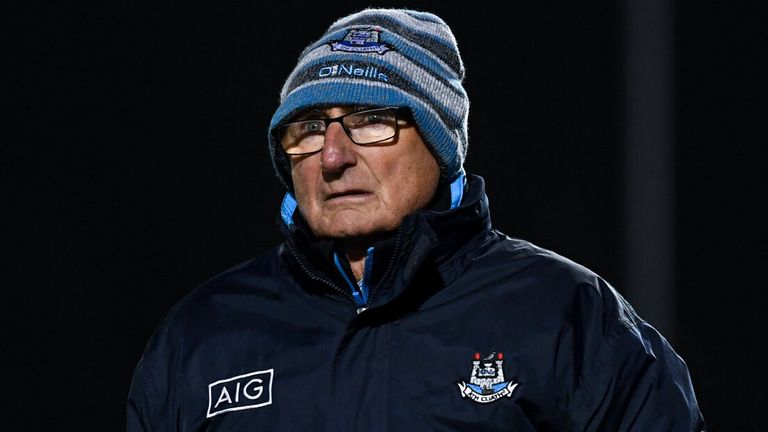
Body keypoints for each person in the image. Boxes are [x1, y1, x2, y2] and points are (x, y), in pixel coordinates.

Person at [127, 8, 705, 431]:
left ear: (439, 144)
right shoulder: (202, 336)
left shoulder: (566, 317)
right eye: (307, 129)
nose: (333, 155)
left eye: (372, 118)